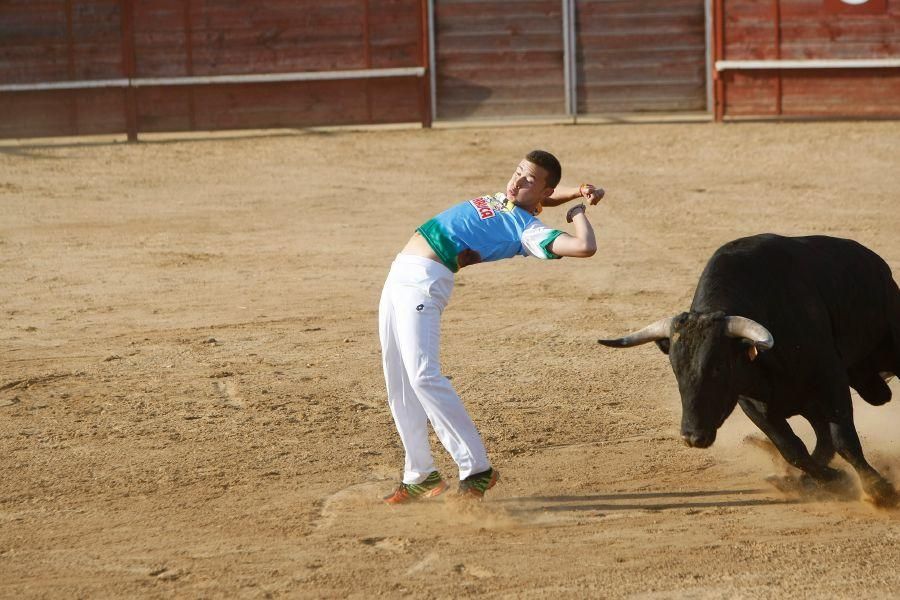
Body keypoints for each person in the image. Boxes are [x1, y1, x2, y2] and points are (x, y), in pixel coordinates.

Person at [379, 150, 604, 504]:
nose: (516, 182)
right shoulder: (508, 201)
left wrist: (577, 214)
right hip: (399, 273)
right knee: (400, 379)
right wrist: (576, 191)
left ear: (542, 192)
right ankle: (419, 474)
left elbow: (584, 247)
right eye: (517, 172)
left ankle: (477, 469)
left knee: (423, 375)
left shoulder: (528, 230)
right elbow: (542, 195)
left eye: (528, 180)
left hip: (425, 280)